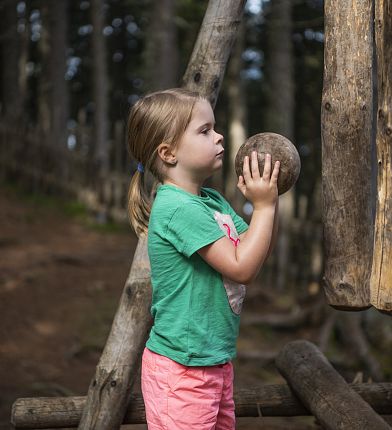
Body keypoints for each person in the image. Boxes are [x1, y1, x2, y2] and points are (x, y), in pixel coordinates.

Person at [127, 88, 280, 430]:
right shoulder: (177, 208)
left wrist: (270, 199)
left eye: (215, 127)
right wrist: (265, 207)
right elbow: (242, 268)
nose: (219, 135)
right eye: (204, 130)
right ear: (167, 153)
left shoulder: (210, 201)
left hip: (213, 361)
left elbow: (256, 250)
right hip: (182, 369)